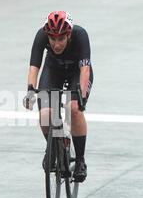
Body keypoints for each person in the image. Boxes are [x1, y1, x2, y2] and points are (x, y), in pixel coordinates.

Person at [23, 11, 94, 183]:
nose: (56, 44)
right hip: (53, 70)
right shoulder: (41, 35)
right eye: (52, 39)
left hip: (77, 72)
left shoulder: (80, 35)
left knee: (73, 108)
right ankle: (54, 147)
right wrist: (30, 91)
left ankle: (80, 160)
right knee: (46, 113)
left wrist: (82, 96)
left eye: (61, 39)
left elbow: (85, 70)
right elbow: (34, 67)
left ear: (68, 35)